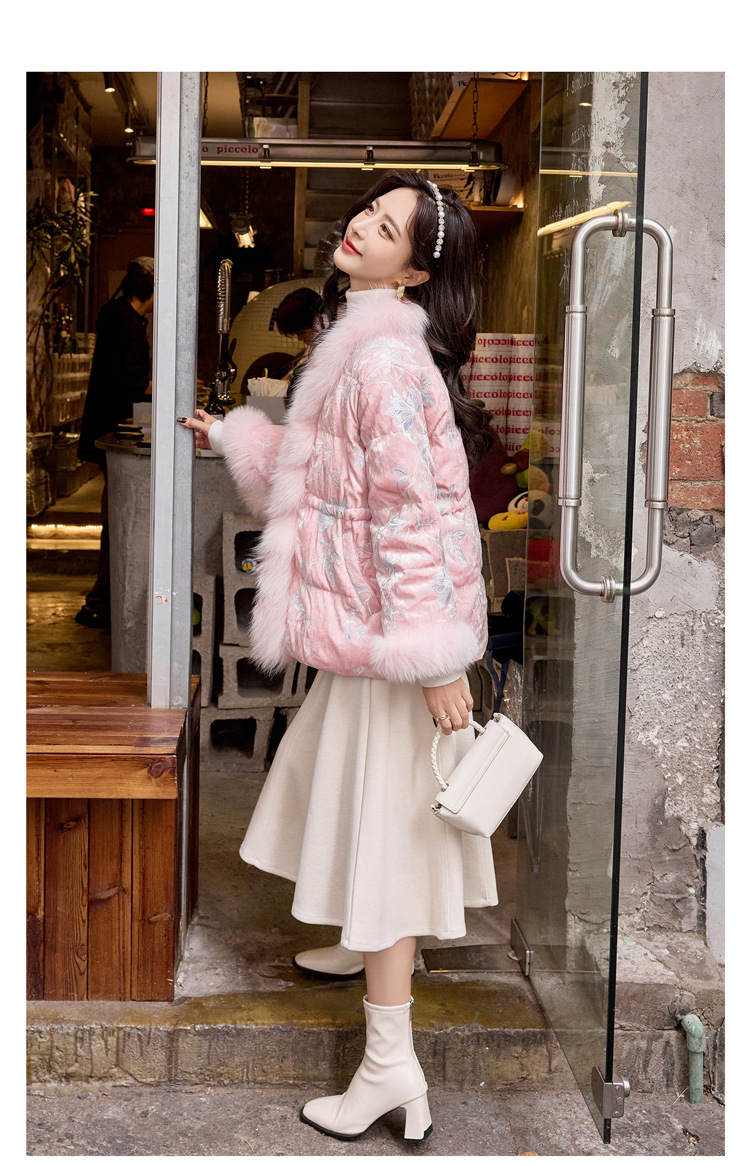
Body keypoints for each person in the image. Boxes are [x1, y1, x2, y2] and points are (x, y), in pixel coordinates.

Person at [181, 172, 495, 1144]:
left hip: (395, 643)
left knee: (388, 844)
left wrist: (434, 660)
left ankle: (390, 1065)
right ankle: (369, 950)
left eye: (388, 227)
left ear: (417, 269)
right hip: (375, 637)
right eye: (369, 210)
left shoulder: (384, 359)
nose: (362, 226)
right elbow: (325, 481)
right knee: (354, 807)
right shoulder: (361, 341)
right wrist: (232, 434)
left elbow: (406, 518)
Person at [75, 258, 154, 629]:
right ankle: (100, 604)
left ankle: (102, 602)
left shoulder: (118, 315)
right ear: (150, 291)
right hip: (115, 432)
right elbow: (128, 382)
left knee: (116, 518)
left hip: (107, 431)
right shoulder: (126, 322)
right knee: (120, 519)